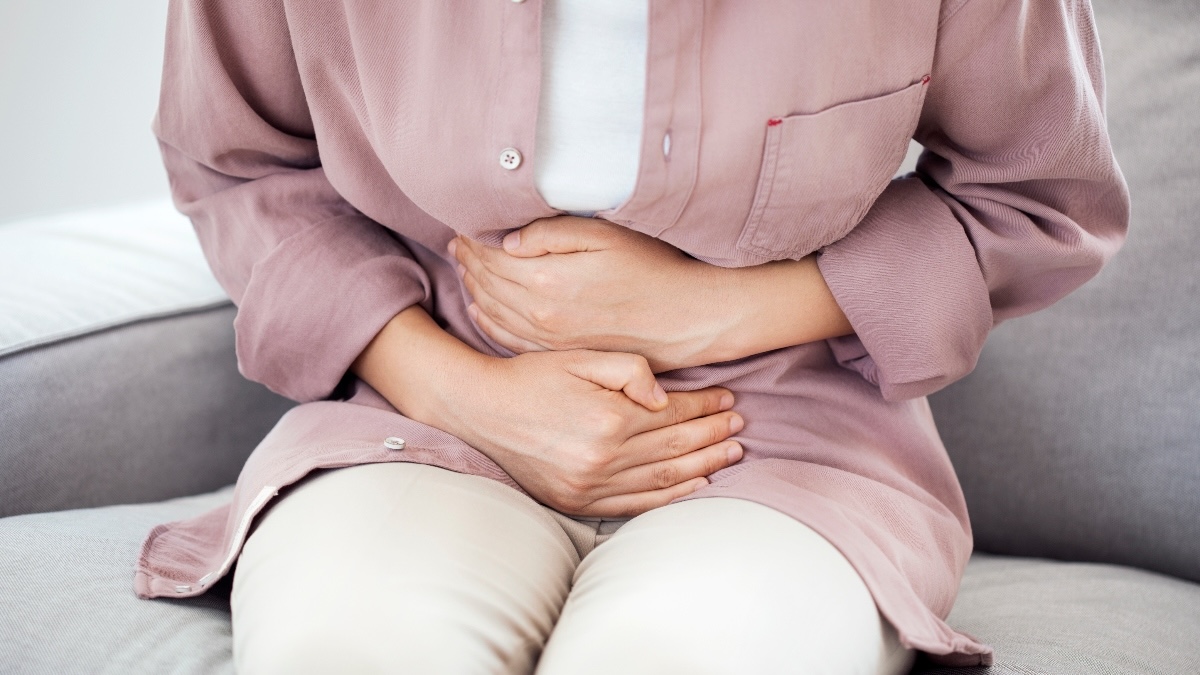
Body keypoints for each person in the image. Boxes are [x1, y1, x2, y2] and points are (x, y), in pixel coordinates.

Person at [135, 0, 1129, 672]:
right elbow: (239, 167)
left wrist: (717, 308)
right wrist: (453, 389)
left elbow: (1040, 202)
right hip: (418, 421)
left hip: (788, 447)